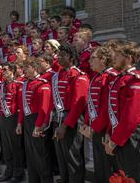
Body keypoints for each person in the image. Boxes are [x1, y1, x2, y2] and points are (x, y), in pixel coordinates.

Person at [105, 40, 140, 183]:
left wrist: (114, 141)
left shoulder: (136, 81)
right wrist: (109, 132)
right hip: (120, 133)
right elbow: (114, 109)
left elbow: (131, 118)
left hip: (131, 136)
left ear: (128, 58)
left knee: (133, 177)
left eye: (117, 55)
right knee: (122, 176)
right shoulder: (122, 78)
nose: (114, 58)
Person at [79, 46, 118, 183]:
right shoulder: (96, 76)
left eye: (93, 58)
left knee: (108, 169)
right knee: (99, 167)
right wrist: (87, 123)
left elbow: (107, 108)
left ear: (103, 59)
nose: (90, 62)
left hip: (104, 130)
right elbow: (91, 103)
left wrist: (96, 127)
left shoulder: (110, 77)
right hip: (96, 128)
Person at [52, 43, 89, 183]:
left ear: (72, 57)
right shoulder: (59, 75)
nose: (58, 57)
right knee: (62, 159)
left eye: (62, 55)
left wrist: (65, 126)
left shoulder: (79, 76)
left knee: (73, 159)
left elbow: (77, 106)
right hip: (58, 119)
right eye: (58, 55)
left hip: (71, 121)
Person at [17, 58, 53, 183]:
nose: (24, 70)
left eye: (27, 67)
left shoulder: (43, 84)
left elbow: (44, 109)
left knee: (41, 156)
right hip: (27, 121)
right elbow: (22, 106)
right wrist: (19, 122)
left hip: (38, 121)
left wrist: (38, 126)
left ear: (35, 68)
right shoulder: (26, 84)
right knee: (31, 156)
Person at [0, 63, 24, 182]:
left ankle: (17, 174)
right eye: (2, 70)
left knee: (15, 147)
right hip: (4, 118)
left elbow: (20, 106)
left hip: (14, 118)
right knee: (6, 147)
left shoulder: (18, 84)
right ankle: (9, 171)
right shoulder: (2, 85)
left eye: (5, 69)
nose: (3, 71)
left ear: (12, 71)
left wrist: (19, 123)